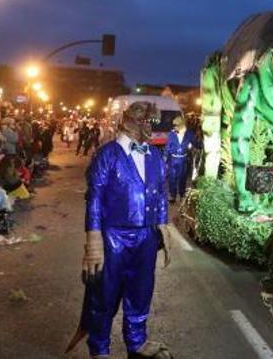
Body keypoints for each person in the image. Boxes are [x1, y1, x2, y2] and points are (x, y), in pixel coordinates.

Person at [66, 101, 172, 359]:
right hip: (113, 237)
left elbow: (160, 194)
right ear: (129, 122)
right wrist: (93, 241)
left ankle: (137, 343)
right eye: (145, 121)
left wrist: (163, 228)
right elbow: (94, 199)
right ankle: (99, 349)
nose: (150, 127)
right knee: (104, 296)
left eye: (151, 122)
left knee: (141, 292)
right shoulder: (107, 154)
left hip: (146, 236)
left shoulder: (155, 155)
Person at [163, 115, 196, 203]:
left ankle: (181, 195)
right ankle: (173, 195)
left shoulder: (189, 134)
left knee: (182, 178)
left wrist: (200, 145)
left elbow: (196, 143)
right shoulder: (171, 134)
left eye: (177, 125)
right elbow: (168, 146)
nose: (175, 127)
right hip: (173, 160)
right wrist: (164, 158)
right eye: (175, 125)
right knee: (172, 178)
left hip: (183, 160)